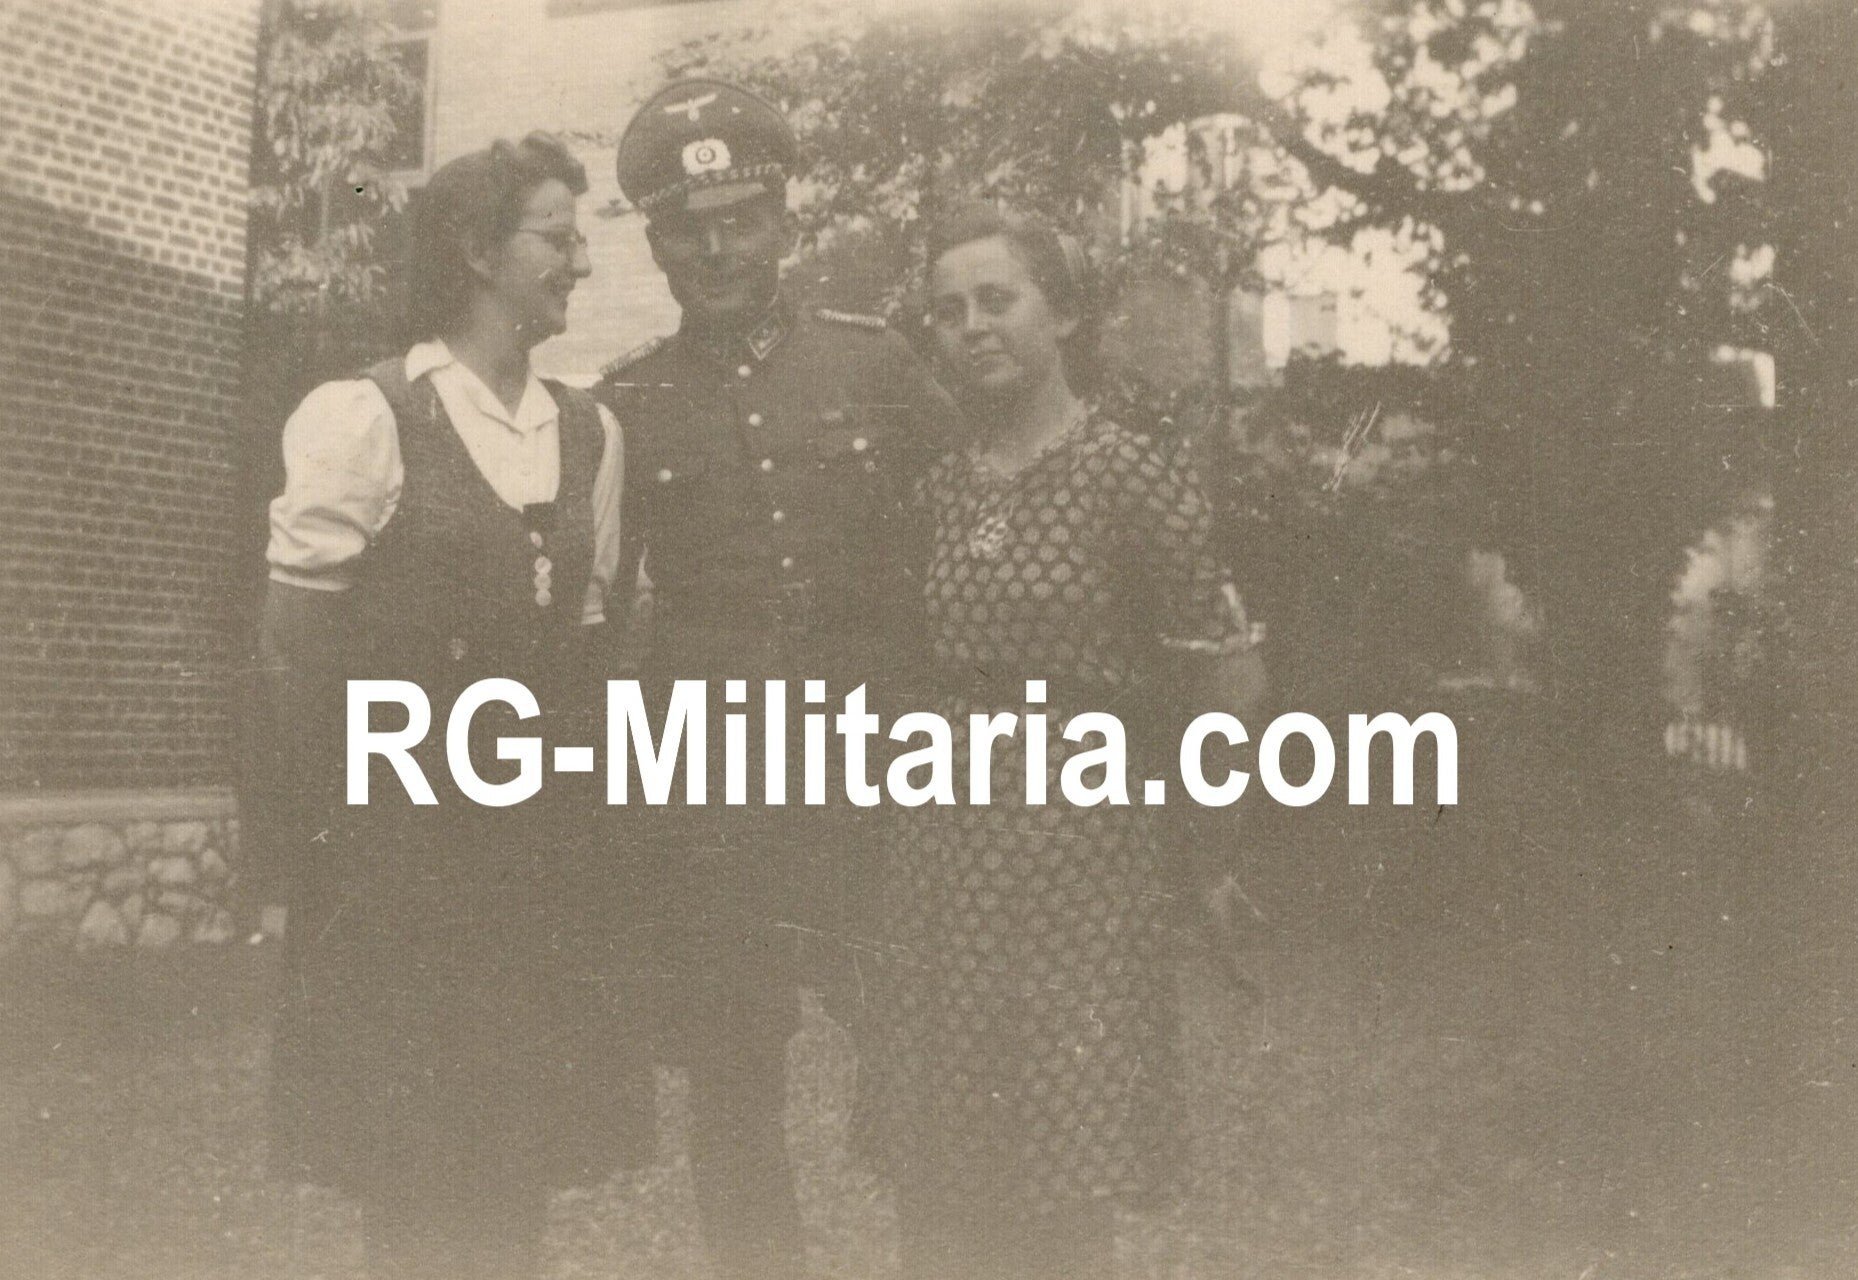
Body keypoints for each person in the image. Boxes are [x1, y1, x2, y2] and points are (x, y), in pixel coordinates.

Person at [257, 133, 652, 1280]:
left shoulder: (592, 432)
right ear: (479, 250)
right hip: (402, 864)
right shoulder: (364, 415)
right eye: (556, 237)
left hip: (538, 862)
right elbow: (294, 648)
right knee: (414, 1174)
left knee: (516, 1164)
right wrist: (332, 843)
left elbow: (589, 641)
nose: (576, 263)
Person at [592, 79, 965, 1280]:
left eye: (739, 217)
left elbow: (969, 545)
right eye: (686, 228)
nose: (715, 248)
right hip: (715, 805)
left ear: (782, 219)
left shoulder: (880, 367)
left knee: (922, 1065)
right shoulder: (625, 406)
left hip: (883, 781)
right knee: (731, 1092)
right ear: (654, 243)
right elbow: (603, 613)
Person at [858, 203, 1267, 1280]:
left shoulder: (1129, 474)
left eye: (999, 299)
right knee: (937, 1175)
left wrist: (1212, 853)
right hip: (941, 866)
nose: (970, 326)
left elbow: (1220, 673)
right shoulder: (935, 492)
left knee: (1057, 1175)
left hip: (1079, 869)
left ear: (1066, 313)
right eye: (946, 310)